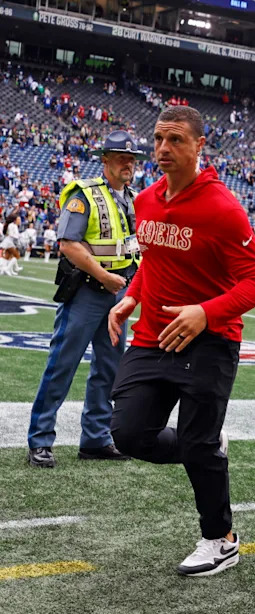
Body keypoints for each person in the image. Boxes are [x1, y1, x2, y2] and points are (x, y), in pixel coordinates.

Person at [107, 106, 255, 576]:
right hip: (153, 337)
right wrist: (129, 297)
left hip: (211, 340)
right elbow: (155, 263)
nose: (163, 149)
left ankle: (221, 540)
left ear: (200, 145)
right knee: (129, 433)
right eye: (158, 139)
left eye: (176, 140)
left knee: (199, 446)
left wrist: (206, 312)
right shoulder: (146, 201)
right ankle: (206, 445)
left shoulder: (222, 208)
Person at [26, 130, 145, 468]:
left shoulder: (134, 198)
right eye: (121, 157)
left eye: (132, 158)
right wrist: (106, 277)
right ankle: (40, 439)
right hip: (88, 292)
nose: (128, 163)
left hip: (118, 295)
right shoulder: (84, 194)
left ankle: (95, 439)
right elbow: (69, 243)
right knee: (62, 365)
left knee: (109, 369)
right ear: (104, 159)